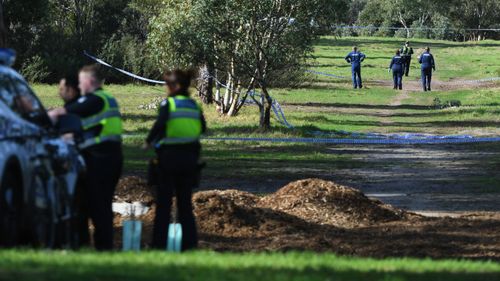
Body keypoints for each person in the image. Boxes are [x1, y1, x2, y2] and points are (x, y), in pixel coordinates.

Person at [49, 65, 123, 250]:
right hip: (107, 156)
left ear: (89, 82)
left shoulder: (96, 99)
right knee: (97, 203)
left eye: (81, 82)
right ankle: (94, 245)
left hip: (101, 158)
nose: (79, 86)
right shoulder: (105, 99)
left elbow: (69, 110)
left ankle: (103, 247)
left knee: (99, 205)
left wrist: (50, 114)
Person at [143, 69, 206, 251]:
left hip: (169, 159)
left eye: (167, 85)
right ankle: (189, 245)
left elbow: (160, 125)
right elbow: (202, 127)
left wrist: (148, 142)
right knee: (185, 204)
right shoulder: (193, 105)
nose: (165, 88)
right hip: (190, 160)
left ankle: (159, 245)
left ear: (175, 86)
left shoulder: (168, 104)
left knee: (164, 204)